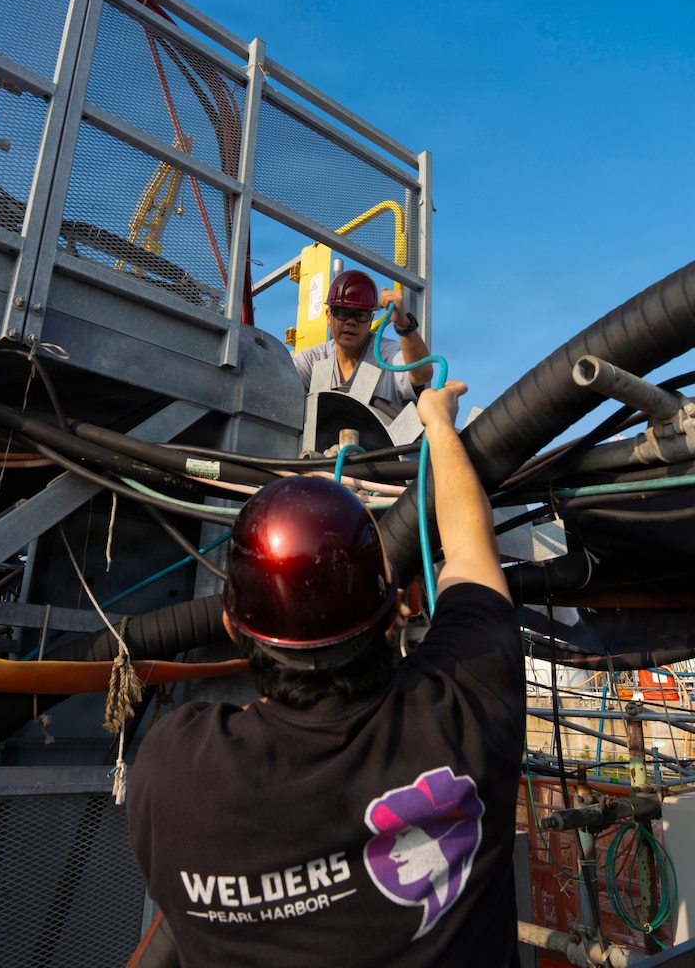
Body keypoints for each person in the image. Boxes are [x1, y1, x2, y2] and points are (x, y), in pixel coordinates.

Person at [127, 382, 526, 967]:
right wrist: (438, 423)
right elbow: (469, 544)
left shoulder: (172, 773)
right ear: (399, 609)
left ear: (233, 628)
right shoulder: (468, 709)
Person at [291, 269, 433, 409]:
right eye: (342, 312)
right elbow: (282, 390)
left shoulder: (386, 356)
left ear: (371, 320)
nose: (351, 322)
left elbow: (423, 374)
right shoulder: (312, 361)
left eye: (360, 315)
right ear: (328, 316)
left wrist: (403, 324)